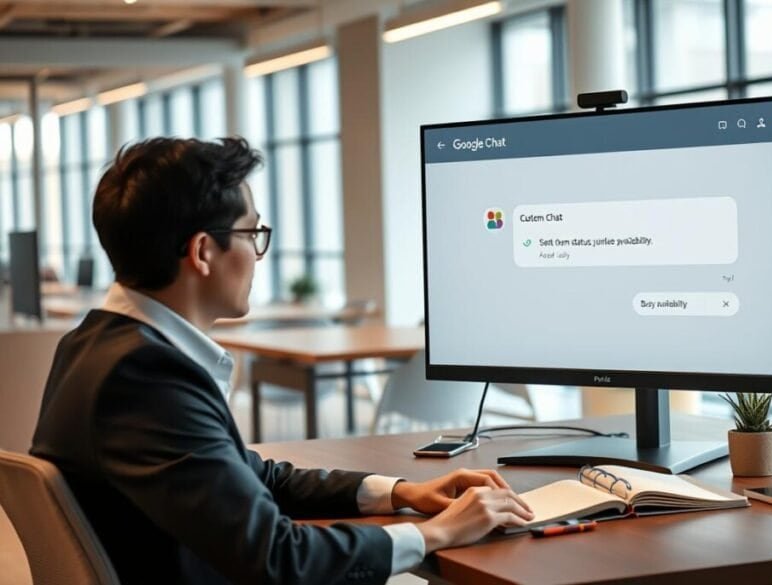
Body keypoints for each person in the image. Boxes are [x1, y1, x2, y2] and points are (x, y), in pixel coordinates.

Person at [30, 137, 533, 584]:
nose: (257, 253)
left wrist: (401, 491)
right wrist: (436, 534)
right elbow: (277, 559)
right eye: (252, 234)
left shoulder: (96, 345)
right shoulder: (145, 377)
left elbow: (249, 476)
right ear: (204, 251)